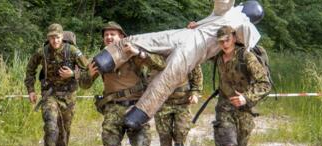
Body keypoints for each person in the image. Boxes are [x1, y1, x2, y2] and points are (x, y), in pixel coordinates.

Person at [90, 0, 263, 130]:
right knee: (150, 50)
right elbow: (223, 6)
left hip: (194, 47)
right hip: (190, 36)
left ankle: (139, 109)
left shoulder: (241, 24)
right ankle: (111, 58)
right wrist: (202, 23)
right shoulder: (236, 21)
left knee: (162, 66)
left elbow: (226, 9)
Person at [78, 22, 166, 146]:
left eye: (113, 34)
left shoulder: (133, 54)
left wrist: (140, 53)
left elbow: (161, 64)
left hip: (137, 107)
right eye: (106, 35)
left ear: (121, 37)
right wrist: (88, 72)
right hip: (113, 108)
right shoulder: (101, 59)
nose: (109, 37)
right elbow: (84, 84)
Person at [24, 23, 88, 146]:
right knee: (51, 128)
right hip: (49, 95)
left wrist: (73, 73)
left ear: (62, 37)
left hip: (68, 97)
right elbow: (30, 70)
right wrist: (31, 90)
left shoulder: (72, 51)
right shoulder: (42, 52)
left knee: (64, 133)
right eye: (51, 37)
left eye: (57, 37)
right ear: (48, 38)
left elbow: (88, 71)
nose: (54, 40)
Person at [213, 26, 271, 146]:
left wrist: (246, 98)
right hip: (224, 109)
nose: (224, 44)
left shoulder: (246, 56)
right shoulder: (217, 57)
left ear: (233, 37)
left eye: (227, 40)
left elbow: (264, 83)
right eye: (221, 41)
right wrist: (195, 26)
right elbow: (196, 47)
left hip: (244, 110)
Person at [154, 65, 202, 146]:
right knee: (164, 136)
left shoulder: (188, 54)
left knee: (181, 130)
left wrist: (195, 93)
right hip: (163, 103)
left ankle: (179, 141)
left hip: (183, 102)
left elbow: (197, 76)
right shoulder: (159, 53)